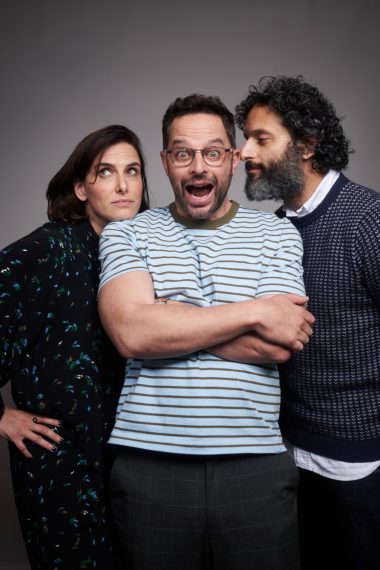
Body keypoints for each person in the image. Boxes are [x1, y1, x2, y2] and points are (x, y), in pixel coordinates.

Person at [98, 94, 314, 570]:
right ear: (165, 162)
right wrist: (255, 309)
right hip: (149, 466)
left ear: (234, 160)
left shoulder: (277, 234)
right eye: (183, 153)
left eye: (213, 152)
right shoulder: (127, 233)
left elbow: (278, 344)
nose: (199, 167)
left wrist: (168, 315)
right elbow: (132, 335)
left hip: (254, 466)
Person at [235, 75, 380, 570]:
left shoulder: (368, 218)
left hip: (362, 463)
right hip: (288, 455)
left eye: (260, 138)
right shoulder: (272, 230)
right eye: (244, 138)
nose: (244, 153)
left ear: (309, 145)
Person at [0, 124, 150, 569]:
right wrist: (2, 416)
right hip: (62, 467)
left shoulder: (149, 254)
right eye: (106, 172)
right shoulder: (45, 252)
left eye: (133, 171)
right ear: (81, 188)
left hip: (134, 462)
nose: (123, 185)